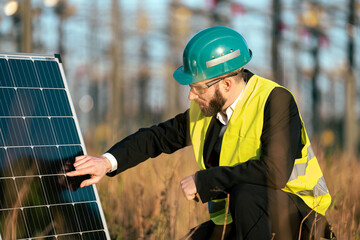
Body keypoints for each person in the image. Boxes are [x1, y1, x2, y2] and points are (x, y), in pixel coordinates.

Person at [67, 26, 334, 240]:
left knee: (246, 194)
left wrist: (205, 181)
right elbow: (154, 138)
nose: (191, 95)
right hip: (243, 217)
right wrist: (106, 162)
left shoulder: (275, 101)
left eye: (198, 87)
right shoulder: (204, 112)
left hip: (301, 219)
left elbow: (274, 172)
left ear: (226, 84)